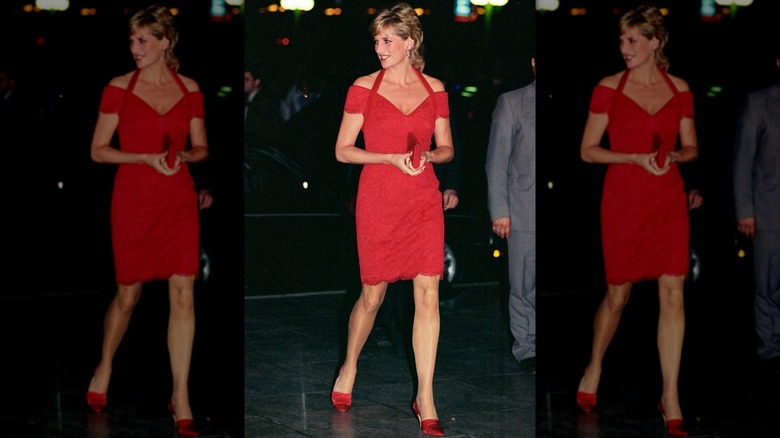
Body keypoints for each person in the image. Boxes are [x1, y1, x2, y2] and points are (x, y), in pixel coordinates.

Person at [576, 5, 698, 437]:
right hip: (624, 198)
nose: (624, 48)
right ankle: (594, 365)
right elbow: (588, 150)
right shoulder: (608, 88)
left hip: (667, 198)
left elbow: (691, 148)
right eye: (622, 41)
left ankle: (671, 396)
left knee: (673, 296)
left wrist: (671, 159)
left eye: (632, 41)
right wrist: (635, 159)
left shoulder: (680, 89)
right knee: (617, 297)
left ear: (654, 43)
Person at [331, 3, 453, 436]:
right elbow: (343, 150)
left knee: (427, 296)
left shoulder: (435, 88)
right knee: (372, 296)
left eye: (387, 40)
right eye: (376, 40)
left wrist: (427, 156)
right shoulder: (362, 87)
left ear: (409, 42)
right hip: (379, 197)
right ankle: (349, 366)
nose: (379, 47)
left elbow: (447, 149)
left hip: (422, 198)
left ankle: (426, 396)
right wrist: (390, 158)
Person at [86, 5, 207, 436]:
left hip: (176, 197)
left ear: (164, 42)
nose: (134, 48)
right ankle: (104, 365)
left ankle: (181, 395)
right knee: (127, 297)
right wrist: (145, 159)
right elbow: (98, 150)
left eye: (143, 41)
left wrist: (180, 159)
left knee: (184, 295)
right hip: (134, 198)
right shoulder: (118, 88)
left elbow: (201, 148)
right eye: (132, 41)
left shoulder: (190, 88)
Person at [485, 58, 536, 374]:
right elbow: (496, 161)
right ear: (532, 64)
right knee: (522, 283)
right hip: (521, 209)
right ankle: (527, 347)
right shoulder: (512, 102)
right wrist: (500, 210)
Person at [732, 52, 780, 376]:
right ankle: (771, 349)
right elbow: (742, 160)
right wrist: (745, 210)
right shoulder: (759, 102)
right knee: (768, 284)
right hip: (768, 210)